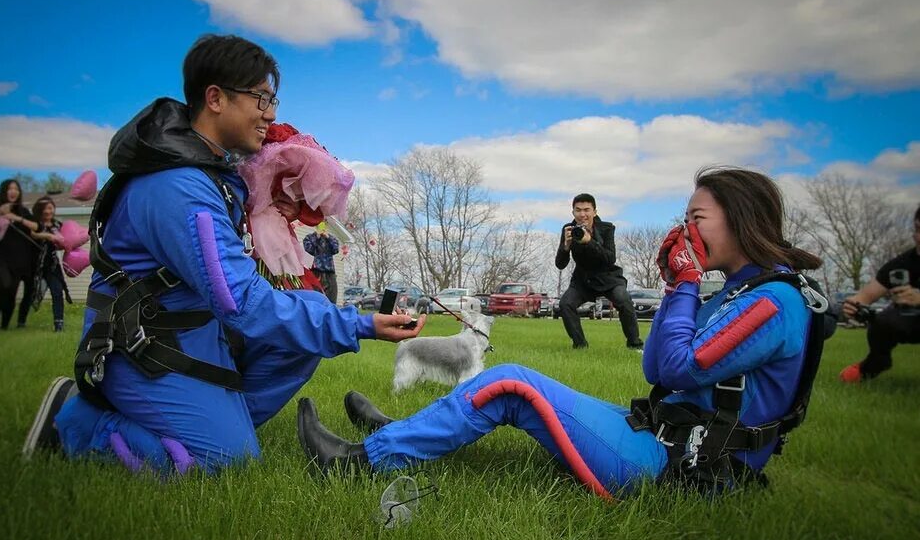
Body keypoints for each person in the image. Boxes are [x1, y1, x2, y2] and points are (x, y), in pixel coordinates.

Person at [22, 34, 425, 475]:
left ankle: (211, 424)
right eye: (261, 98)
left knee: (308, 312)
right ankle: (78, 422)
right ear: (215, 98)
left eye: (272, 99)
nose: (270, 114)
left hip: (193, 333)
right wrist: (360, 324)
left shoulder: (210, 173)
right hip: (141, 347)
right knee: (226, 461)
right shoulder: (179, 187)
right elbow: (239, 300)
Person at [297, 167, 827, 495]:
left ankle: (357, 462)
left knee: (510, 383)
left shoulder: (773, 303)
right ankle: (398, 434)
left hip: (688, 467)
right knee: (509, 390)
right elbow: (655, 369)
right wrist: (675, 287)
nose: (683, 231)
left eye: (697, 218)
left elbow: (677, 367)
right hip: (669, 435)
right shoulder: (741, 292)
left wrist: (685, 283)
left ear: (741, 220)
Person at [839, 205, 920, 383]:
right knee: (881, 321)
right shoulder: (903, 263)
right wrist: (853, 305)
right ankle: (876, 362)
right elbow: (866, 294)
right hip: (912, 320)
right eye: (918, 229)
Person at [555, 193, 644, 350]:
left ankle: (635, 344)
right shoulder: (568, 229)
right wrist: (566, 246)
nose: (582, 214)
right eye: (578, 210)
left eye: (587, 210)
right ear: (573, 212)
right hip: (583, 280)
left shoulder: (606, 229)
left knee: (623, 300)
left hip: (609, 278)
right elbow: (560, 264)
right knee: (565, 304)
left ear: (594, 212)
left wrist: (589, 242)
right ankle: (580, 345)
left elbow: (610, 258)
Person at [0, 179, 39, 330]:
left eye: (16, 189)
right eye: (9, 189)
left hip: (18, 258)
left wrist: (17, 218)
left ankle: (4, 325)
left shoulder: (23, 211)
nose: (13, 191)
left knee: (12, 291)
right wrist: (0, 213)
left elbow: (36, 226)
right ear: (4, 191)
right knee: (5, 284)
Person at [30, 196, 70, 332]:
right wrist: (48, 236)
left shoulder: (57, 225)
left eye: (50, 208)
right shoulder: (35, 223)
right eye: (45, 208)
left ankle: (59, 323)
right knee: (31, 294)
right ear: (40, 210)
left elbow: (61, 244)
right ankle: (21, 321)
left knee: (57, 292)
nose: (48, 211)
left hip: (52, 265)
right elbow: (33, 234)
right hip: (35, 264)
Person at [302, 223, 340, 303]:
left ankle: (331, 313)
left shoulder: (331, 238)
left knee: (332, 298)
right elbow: (309, 250)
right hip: (316, 271)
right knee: (315, 296)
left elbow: (336, 249)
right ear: (316, 226)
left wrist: (328, 237)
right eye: (320, 224)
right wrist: (317, 237)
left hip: (329, 272)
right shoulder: (309, 238)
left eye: (323, 224)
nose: (322, 226)